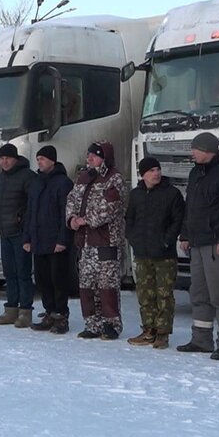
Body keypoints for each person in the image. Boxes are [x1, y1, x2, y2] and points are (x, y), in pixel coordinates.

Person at [177, 132, 219, 360]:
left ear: (209, 150)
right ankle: (201, 339)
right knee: (198, 293)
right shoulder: (196, 173)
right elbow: (190, 208)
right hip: (196, 242)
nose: (192, 153)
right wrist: (185, 234)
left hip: (216, 244)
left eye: (196, 149)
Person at [67, 141, 127, 340]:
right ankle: (92, 323)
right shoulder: (83, 177)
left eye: (94, 155)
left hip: (106, 241)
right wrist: (71, 219)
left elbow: (110, 206)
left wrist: (86, 220)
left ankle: (111, 324)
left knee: (107, 285)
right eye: (88, 155)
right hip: (84, 242)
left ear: (104, 157)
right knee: (86, 284)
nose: (89, 158)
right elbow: (72, 200)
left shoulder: (114, 178)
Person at [124, 156, 185, 349]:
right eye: (151, 171)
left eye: (157, 169)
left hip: (164, 254)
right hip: (142, 253)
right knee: (145, 294)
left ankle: (163, 333)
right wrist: (132, 239)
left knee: (164, 295)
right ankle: (148, 329)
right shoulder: (136, 195)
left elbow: (178, 221)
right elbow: (129, 219)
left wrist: (167, 240)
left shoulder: (172, 194)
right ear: (143, 175)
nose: (156, 173)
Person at [26, 145, 74, 335]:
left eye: (43, 159)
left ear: (52, 160)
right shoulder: (36, 182)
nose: (39, 162)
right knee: (42, 280)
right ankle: (49, 312)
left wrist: (63, 240)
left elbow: (66, 214)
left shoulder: (63, 183)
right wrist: (27, 238)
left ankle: (61, 315)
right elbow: (30, 211)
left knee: (58, 280)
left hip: (56, 242)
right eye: (38, 159)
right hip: (38, 241)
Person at [0, 143, 36, 327]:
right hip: (5, 232)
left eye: (8, 158)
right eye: (1, 158)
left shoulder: (27, 176)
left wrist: (23, 224)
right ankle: (11, 309)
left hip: (20, 233)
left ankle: (25, 311)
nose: (5, 161)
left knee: (23, 272)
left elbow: (32, 206)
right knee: (9, 273)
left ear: (15, 159)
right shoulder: (1, 177)